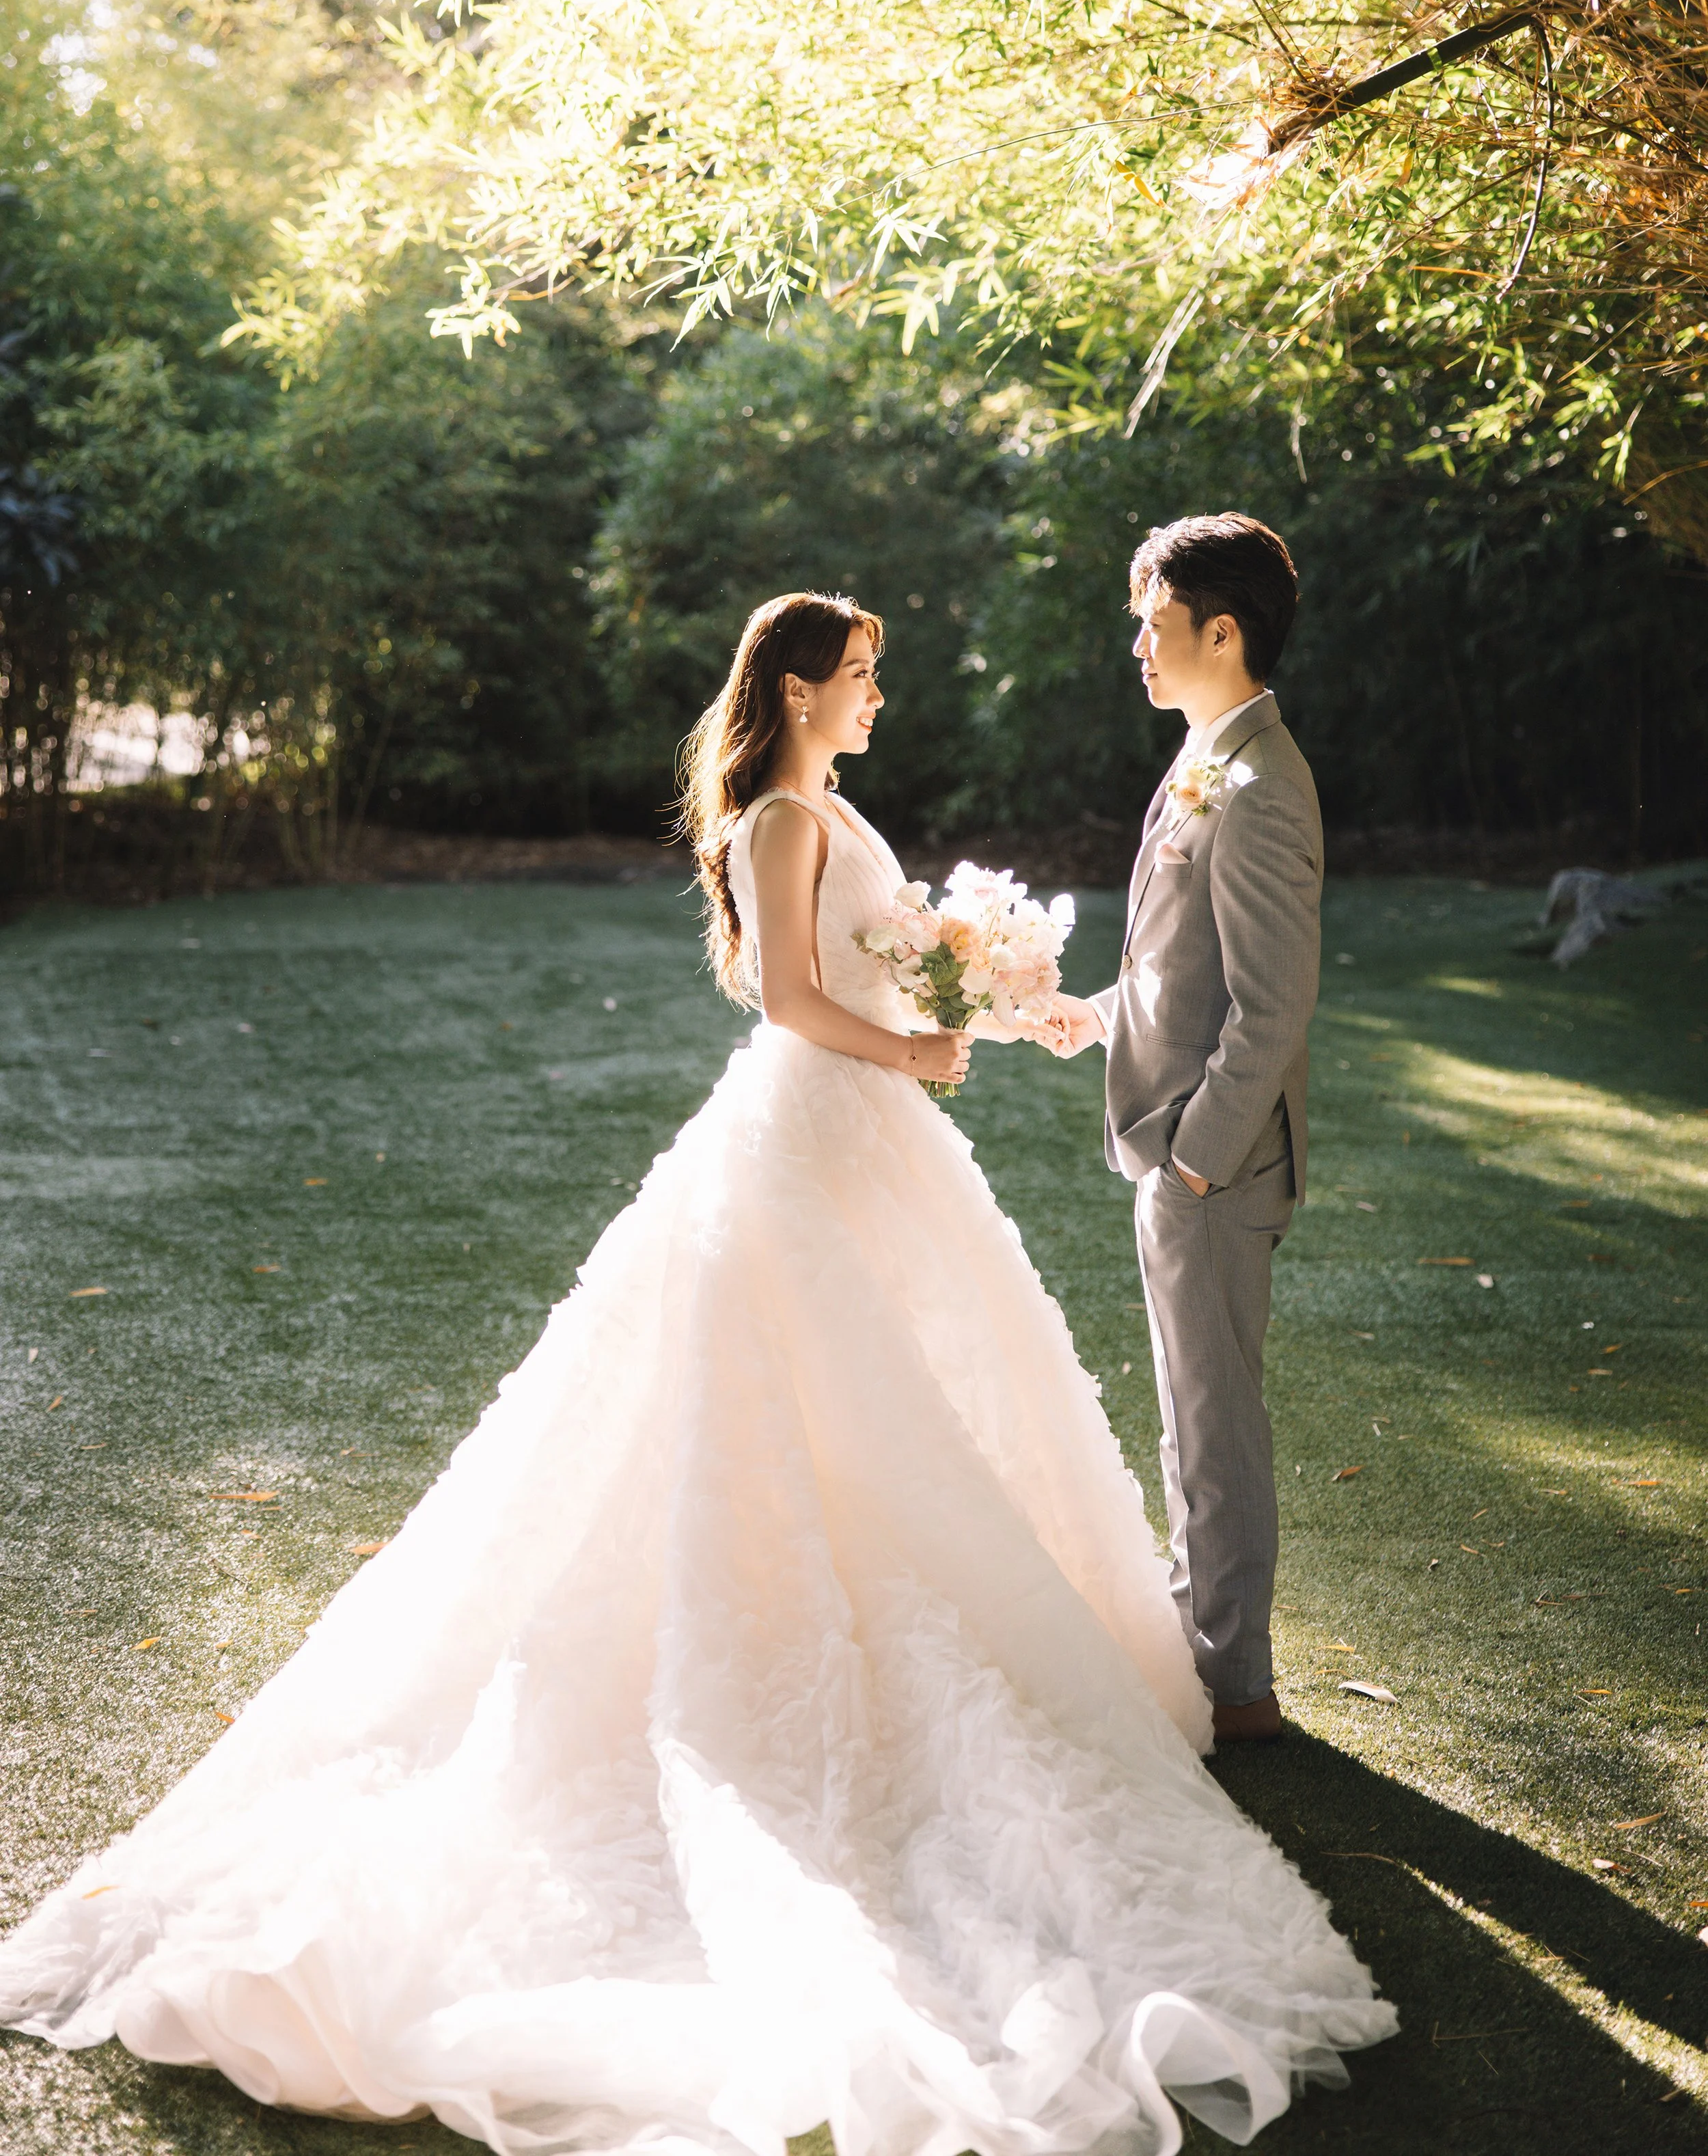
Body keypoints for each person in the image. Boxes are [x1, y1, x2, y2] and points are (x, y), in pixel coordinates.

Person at [0, 588, 1392, 2156]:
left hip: (866, 1141)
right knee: (798, 1410)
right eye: (860, 676)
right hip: (806, 1132)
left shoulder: (832, 806)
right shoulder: (775, 819)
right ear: (797, 688)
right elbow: (799, 1001)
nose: (876, 697)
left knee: (914, 1402)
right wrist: (922, 1050)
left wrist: (995, 1001)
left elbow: (882, 964)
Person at [1052, 515, 1320, 1747]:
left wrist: (1195, 1155)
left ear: (1223, 630)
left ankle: (1238, 1694)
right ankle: (1205, 1653)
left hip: (1210, 1162)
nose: (1139, 650)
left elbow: (1271, 1009)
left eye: (1154, 626)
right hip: (1176, 1144)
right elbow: (1181, 966)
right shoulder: (1209, 755)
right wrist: (1080, 1014)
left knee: (1214, 1427)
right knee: (1187, 1415)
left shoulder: (1259, 785)